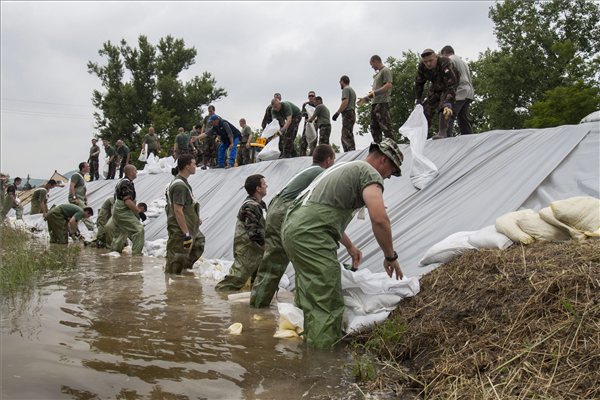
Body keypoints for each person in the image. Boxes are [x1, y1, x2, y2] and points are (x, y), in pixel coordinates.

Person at [282, 138, 404, 349]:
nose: (388, 177)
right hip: (312, 234)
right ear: (384, 160)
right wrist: (390, 256)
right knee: (327, 300)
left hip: (294, 229)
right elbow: (379, 218)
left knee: (308, 294)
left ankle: (302, 350)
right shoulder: (369, 173)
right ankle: (321, 369)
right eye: (391, 171)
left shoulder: (344, 167)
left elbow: (323, 211)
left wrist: (350, 246)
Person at [250, 144, 336, 308]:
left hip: (278, 210)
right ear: (329, 159)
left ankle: (259, 305)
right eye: (333, 161)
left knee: (276, 260)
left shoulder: (308, 171)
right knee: (275, 262)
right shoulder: (320, 173)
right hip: (283, 212)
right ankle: (257, 309)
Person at [215, 174, 268, 291]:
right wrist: (266, 245)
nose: (266, 186)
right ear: (258, 189)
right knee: (234, 281)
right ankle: (218, 299)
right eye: (264, 184)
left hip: (257, 251)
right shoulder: (250, 206)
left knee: (257, 282)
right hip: (247, 250)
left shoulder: (260, 205)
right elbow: (253, 231)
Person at [165, 154, 206, 274]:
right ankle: (173, 282)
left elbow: (188, 205)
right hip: (181, 229)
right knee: (177, 258)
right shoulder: (179, 185)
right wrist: (186, 233)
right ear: (187, 166)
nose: (195, 166)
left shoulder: (184, 183)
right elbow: (178, 210)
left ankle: (184, 272)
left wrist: (196, 219)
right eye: (193, 164)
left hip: (190, 225)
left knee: (199, 242)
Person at [414, 48, 460, 140]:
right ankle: (420, 135)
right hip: (436, 85)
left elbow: (451, 84)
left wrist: (448, 101)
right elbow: (419, 83)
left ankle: (442, 132)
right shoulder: (422, 67)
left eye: (430, 60)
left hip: (450, 84)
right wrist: (418, 100)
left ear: (436, 57)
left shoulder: (444, 62)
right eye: (425, 62)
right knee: (425, 108)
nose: (428, 64)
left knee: (444, 106)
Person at [357, 55, 394, 143]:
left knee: (385, 127)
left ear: (376, 61)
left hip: (382, 103)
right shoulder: (378, 74)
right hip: (375, 104)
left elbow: (388, 85)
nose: (372, 67)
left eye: (372, 64)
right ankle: (378, 147)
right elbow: (375, 92)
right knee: (374, 127)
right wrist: (366, 98)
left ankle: (392, 146)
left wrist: (373, 94)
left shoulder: (385, 70)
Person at [110, 164, 145, 256]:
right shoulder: (126, 183)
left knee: (121, 233)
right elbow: (127, 201)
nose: (136, 172)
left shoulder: (121, 182)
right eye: (135, 171)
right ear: (130, 172)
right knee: (139, 230)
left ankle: (114, 256)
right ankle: (136, 257)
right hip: (122, 211)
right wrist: (139, 212)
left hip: (117, 211)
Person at [440, 45, 474, 137]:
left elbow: (450, 77)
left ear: (445, 54)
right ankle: (468, 137)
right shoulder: (463, 62)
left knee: (449, 113)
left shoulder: (450, 60)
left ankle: (446, 137)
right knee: (463, 118)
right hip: (469, 91)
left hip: (460, 90)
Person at [332, 75, 357, 152]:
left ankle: (350, 153)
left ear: (342, 81)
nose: (340, 84)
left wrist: (337, 113)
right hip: (352, 113)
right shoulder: (352, 90)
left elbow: (345, 102)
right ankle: (350, 151)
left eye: (340, 82)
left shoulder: (346, 89)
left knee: (346, 136)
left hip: (348, 113)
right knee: (348, 134)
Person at [199, 105, 217, 169]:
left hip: (213, 135)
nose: (210, 112)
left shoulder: (217, 117)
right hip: (206, 135)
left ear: (214, 110)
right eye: (209, 111)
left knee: (213, 150)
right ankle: (204, 164)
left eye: (211, 111)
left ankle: (212, 164)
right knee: (206, 150)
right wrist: (201, 135)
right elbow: (204, 126)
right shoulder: (206, 117)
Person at [299, 91, 317, 156]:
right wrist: (306, 113)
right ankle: (302, 156)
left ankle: (313, 156)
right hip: (307, 124)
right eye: (310, 96)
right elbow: (302, 113)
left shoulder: (317, 104)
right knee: (303, 140)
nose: (311, 97)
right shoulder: (305, 105)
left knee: (314, 141)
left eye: (312, 96)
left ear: (315, 97)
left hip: (315, 124)